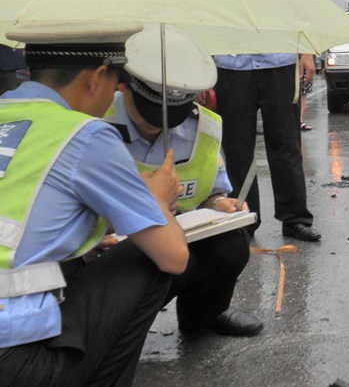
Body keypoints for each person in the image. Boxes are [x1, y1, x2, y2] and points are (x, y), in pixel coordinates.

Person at [0, 21, 189, 387]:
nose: (117, 92)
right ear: (97, 76)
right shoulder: (85, 133)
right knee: (147, 264)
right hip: (13, 370)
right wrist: (156, 198)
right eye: (117, 80)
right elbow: (174, 257)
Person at [106, 24, 263, 337]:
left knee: (231, 245)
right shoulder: (97, 121)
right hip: (115, 251)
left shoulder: (204, 128)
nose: (156, 125)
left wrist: (220, 203)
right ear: (125, 88)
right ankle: (111, 331)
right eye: (147, 112)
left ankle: (204, 315)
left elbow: (210, 193)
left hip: (180, 239)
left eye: (168, 116)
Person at [207, 0, 320, 241]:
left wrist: (306, 52)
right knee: (235, 148)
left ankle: (295, 219)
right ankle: (244, 219)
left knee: (285, 144)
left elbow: (299, 2)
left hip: (277, 61)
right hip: (230, 64)